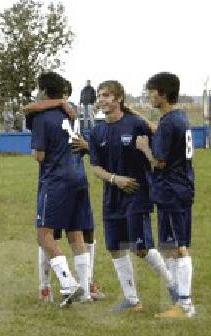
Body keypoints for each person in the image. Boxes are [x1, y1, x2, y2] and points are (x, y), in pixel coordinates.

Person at [77, 80, 178, 313]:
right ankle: (132, 300)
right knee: (115, 248)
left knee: (140, 247)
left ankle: (174, 287)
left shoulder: (135, 125)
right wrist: (115, 179)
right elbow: (95, 167)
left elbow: (161, 135)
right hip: (112, 196)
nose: (101, 100)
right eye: (100, 96)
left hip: (137, 194)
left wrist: (139, 118)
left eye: (106, 96)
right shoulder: (97, 131)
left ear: (118, 98)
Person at [23, 79, 104, 304]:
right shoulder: (71, 113)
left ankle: (67, 283)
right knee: (75, 232)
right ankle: (86, 291)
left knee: (44, 234)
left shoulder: (42, 117)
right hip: (79, 176)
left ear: (44, 91)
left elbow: (39, 155)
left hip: (57, 178)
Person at [135, 72, 196, 318]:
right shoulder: (177, 118)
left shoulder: (170, 122)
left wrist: (144, 148)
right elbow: (159, 130)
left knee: (178, 246)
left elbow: (159, 162)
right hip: (178, 188)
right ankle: (178, 300)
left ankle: (185, 303)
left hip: (172, 190)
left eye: (151, 92)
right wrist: (135, 114)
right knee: (170, 245)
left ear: (162, 93)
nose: (149, 96)